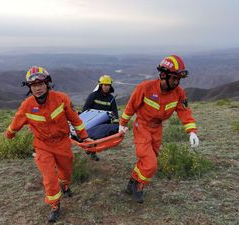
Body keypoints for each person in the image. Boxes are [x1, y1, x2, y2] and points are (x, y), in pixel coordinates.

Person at [5, 66, 92, 223]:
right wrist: (10, 134)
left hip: (62, 143)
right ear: (29, 87)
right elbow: (16, 122)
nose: (37, 88)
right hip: (42, 145)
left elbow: (75, 120)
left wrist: (84, 137)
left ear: (47, 84)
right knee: (49, 177)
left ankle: (65, 186)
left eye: (40, 84)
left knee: (65, 171)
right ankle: (54, 205)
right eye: (33, 85)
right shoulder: (27, 105)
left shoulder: (62, 99)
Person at [119, 55, 200, 203]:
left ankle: (132, 181)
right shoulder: (145, 88)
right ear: (163, 75)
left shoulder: (179, 93)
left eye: (178, 79)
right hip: (142, 126)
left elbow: (184, 111)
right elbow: (131, 106)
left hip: (157, 129)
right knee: (150, 164)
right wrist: (122, 124)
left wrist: (192, 131)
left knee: (148, 160)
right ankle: (139, 186)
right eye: (174, 78)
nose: (177, 82)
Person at [82, 74, 119, 161]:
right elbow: (85, 109)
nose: (107, 87)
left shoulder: (111, 98)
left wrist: (116, 123)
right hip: (92, 121)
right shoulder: (93, 95)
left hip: (104, 122)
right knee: (93, 137)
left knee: (102, 134)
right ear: (100, 85)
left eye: (108, 85)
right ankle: (91, 151)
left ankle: (92, 151)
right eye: (105, 85)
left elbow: (114, 112)